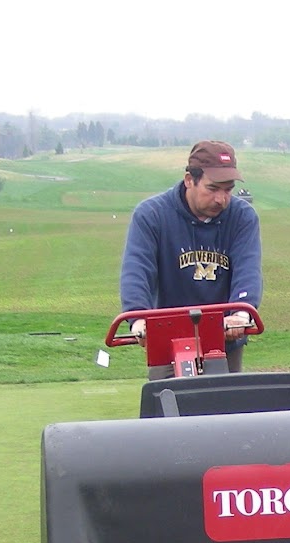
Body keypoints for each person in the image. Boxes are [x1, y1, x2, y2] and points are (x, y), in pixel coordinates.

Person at [119, 140, 262, 377]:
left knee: (228, 406)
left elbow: (248, 270)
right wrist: (138, 318)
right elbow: (137, 270)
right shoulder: (152, 215)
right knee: (166, 403)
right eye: (213, 189)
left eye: (228, 190)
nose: (221, 199)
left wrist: (241, 313)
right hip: (167, 338)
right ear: (189, 180)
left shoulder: (242, 217)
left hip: (224, 339)